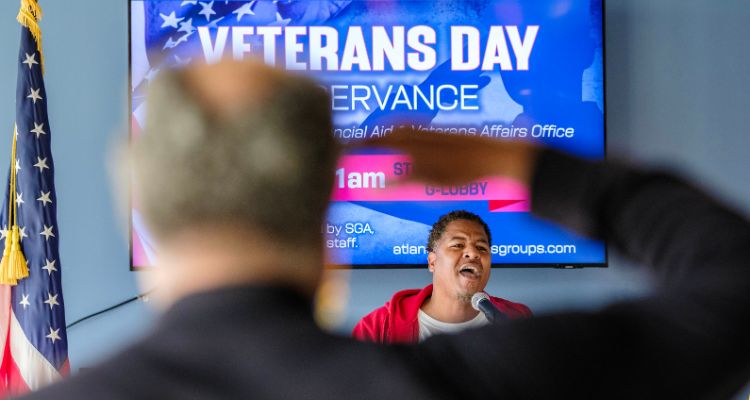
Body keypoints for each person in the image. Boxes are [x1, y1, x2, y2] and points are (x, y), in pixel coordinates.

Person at [21, 58, 750, 399]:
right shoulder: (483, 379)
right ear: (324, 207)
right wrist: (531, 166)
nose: (472, 254)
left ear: (135, 199)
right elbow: (735, 288)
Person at [352, 210, 531, 344]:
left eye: (482, 248)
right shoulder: (377, 327)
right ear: (432, 262)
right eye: (458, 245)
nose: (473, 253)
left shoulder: (517, 319)